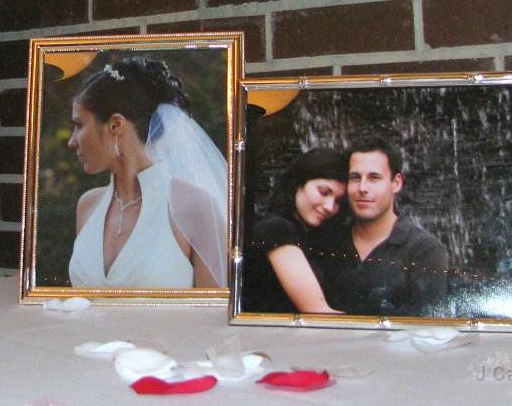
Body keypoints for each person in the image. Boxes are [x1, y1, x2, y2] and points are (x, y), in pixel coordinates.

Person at [66, 58, 228, 288]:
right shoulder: (88, 206)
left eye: (79, 125)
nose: (72, 141)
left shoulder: (195, 206)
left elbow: (215, 307)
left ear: (115, 125)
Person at [318, 136, 449, 316]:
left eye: (374, 178)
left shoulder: (423, 250)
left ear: (396, 183)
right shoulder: (326, 243)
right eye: (355, 178)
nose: (362, 188)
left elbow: (431, 324)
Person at [241, 147, 348, 314]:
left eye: (338, 201)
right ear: (298, 183)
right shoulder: (277, 229)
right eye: (323, 192)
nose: (330, 207)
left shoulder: (303, 234)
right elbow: (317, 312)